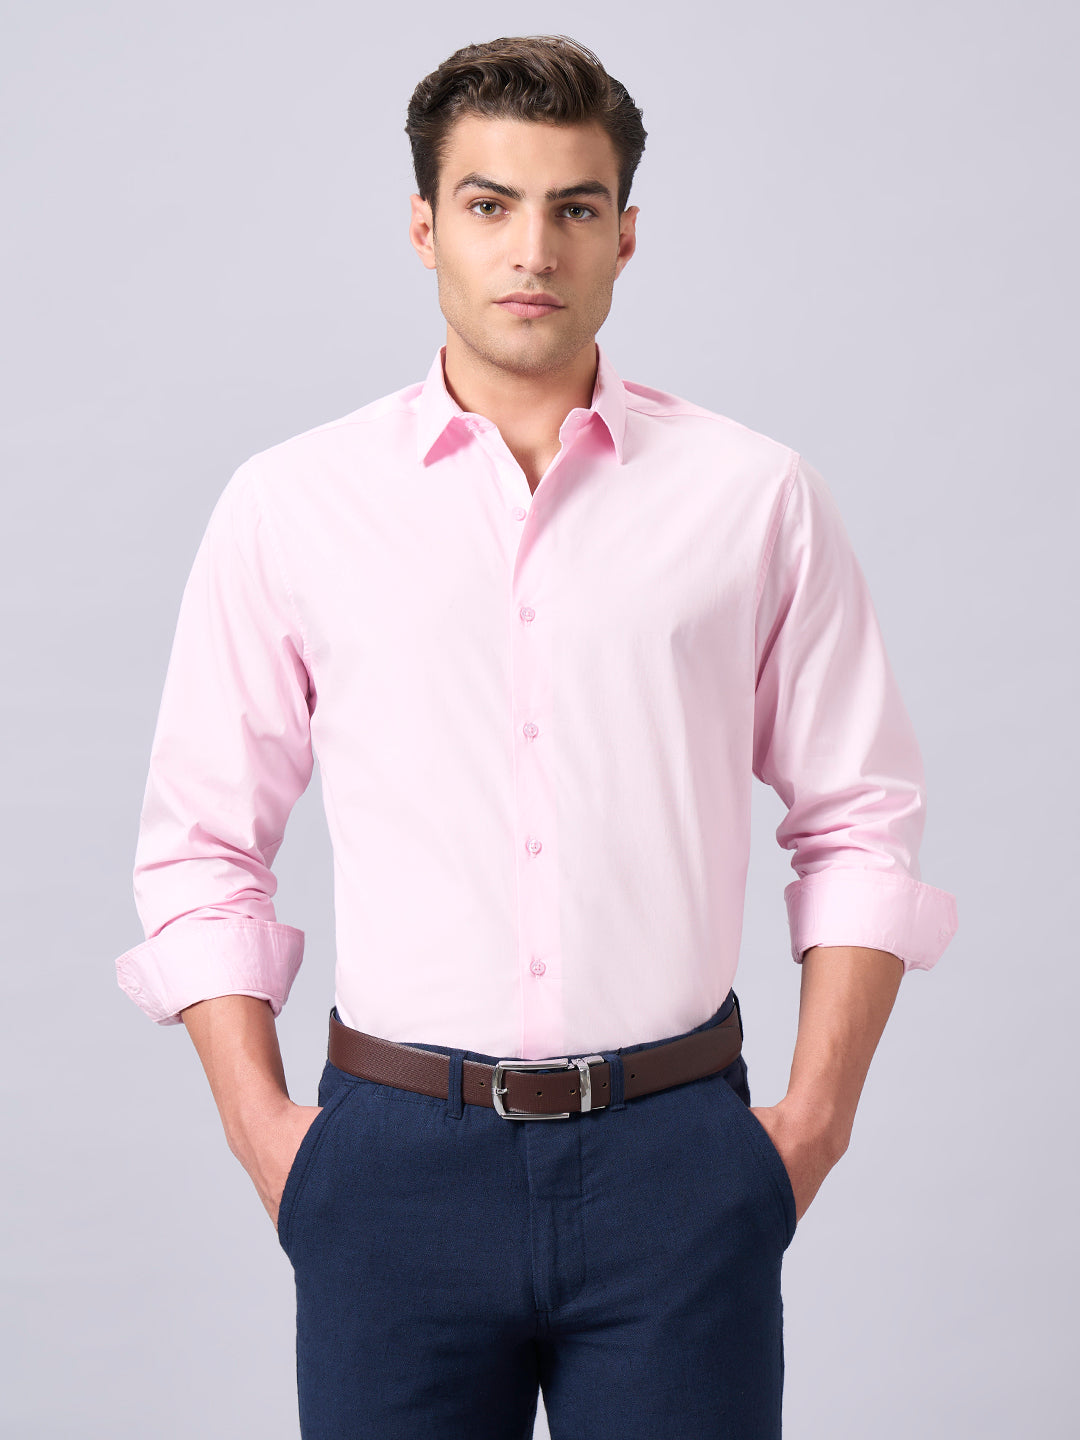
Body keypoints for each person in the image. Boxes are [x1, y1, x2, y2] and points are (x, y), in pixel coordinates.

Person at [114, 33, 958, 1440]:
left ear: (625, 234)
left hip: (676, 1159)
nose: (532, 249)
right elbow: (200, 842)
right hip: (391, 1166)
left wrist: (814, 1125)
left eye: (574, 207)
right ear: (424, 226)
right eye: (490, 203)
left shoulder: (754, 498)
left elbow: (860, 817)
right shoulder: (293, 507)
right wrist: (268, 1138)